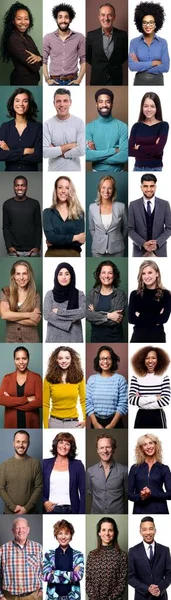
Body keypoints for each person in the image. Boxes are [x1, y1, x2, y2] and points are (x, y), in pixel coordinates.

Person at [128, 516, 171, 600]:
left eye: (151, 529)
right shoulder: (133, 551)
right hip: (141, 597)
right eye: (144, 529)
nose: (148, 532)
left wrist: (160, 588)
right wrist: (147, 588)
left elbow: (169, 573)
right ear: (140, 532)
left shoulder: (165, 550)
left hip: (161, 597)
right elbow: (130, 577)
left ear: (155, 530)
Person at [128, 173, 171, 257]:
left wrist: (157, 243)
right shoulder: (133, 205)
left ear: (155, 187)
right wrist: (143, 243)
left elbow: (169, 228)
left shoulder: (165, 204)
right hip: (139, 252)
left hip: (159, 251)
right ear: (141, 187)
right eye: (145, 186)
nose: (149, 189)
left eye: (151, 186)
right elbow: (129, 229)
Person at [0, 430, 42, 514]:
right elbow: (1, 488)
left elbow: (39, 487)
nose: (21, 445)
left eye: (24, 442)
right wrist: (13, 507)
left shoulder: (35, 463)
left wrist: (26, 508)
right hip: (9, 513)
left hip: (31, 512)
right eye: (18, 441)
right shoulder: (4, 465)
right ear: (13, 443)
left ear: (28, 444)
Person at [0, 87, 42, 172]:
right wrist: (25, 151)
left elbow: (38, 157)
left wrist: (10, 153)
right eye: (17, 100)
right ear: (12, 104)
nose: (21, 104)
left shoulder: (38, 127)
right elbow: (1, 155)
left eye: (25, 101)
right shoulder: (5, 127)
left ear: (29, 104)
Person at [43, 3, 86, 85]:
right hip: (54, 81)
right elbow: (44, 61)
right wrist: (47, 79)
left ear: (70, 19)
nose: (63, 20)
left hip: (73, 81)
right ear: (56, 19)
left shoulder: (79, 37)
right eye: (60, 17)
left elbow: (84, 59)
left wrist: (79, 79)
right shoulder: (48, 38)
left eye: (66, 17)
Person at [128, 260, 171, 342]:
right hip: (138, 336)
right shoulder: (135, 294)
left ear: (157, 273)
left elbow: (163, 319)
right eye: (143, 273)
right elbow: (131, 319)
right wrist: (156, 319)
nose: (146, 276)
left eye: (150, 272)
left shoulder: (166, 294)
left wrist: (140, 315)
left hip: (157, 337)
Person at [86, 88, 128, 171]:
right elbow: (86, 155)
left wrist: (96, 154)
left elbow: (124, 156)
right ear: (96, 104)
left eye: (107, 101)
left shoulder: (122, 126)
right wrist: (114, 150)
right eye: (100, 101)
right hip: (96, 172)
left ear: (112, 104)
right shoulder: (88, 127)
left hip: (118, 172)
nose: (104, 105)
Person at [43, 346, 85, 428]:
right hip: (54, 422)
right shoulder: (48, 379)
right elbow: (45, 404)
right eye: (60, 358)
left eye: (67, 358)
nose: (64, 361)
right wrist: (45, 427)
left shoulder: (79, 378)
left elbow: (83, 400)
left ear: (72, 359)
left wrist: (86, 419)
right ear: (56, 360)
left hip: (73, 422)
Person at [0, 2, 42, 85]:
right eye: (19, 19)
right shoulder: (13, 39)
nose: (23, 22)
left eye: (26, 19)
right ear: (13, 21)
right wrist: (40, 59)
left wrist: (39, 58)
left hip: (33, 80)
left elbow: (39, 58)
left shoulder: (28, 37)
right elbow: (35, 67)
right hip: (21, 81)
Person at [0, 345, 42, 428]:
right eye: (17, 359)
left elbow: (40, 402)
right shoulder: (7, 378)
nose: (21, 362)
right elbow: (1, 399)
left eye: (24, 358)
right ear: (14, 360)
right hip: (11, 422)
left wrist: (11, 402)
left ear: (28, 359)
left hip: (31, 422)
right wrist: (27, 399)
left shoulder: (36, 378)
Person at [129, 345, 171, 428]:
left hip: (158, 416)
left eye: (153, 358)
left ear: (159, 360)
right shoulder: (136, 377)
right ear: (142, 360)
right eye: (147, 358)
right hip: (141, 416)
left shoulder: (164, 377)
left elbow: (166, 401)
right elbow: (131, 400)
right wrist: (155, 397)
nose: (150, 361)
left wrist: (142, 404)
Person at [43, 432, 85, 513]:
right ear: (56, 444)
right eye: (61, 442)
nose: (64, 446)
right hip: (50, 509)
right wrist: (44, 501)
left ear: (71, 447)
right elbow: (37, 487)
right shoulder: (45, 463)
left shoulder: (78, 465)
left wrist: (82, 513)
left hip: (72, 510)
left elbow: (83, 492)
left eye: (67, 444)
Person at [43, 88, 85, 171]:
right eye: (58, 101)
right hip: (54, 172)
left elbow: (82, 150)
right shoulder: (47, 124)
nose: (62, 104)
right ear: (54, 103)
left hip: (75, 172)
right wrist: (70, 146)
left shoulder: (79, 122)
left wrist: (57, 151)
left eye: (65, 101)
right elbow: (45, 152)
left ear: (70, 102)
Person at [86, 517, 128, 600]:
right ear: (99, 533)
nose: (107, 533)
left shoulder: (122, 555)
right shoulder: (92, 555)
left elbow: (122, 583)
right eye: (104, 530)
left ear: (114, 533)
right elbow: (87, 581)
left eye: (110, 530)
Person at [128, 433, 171, 514]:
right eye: (145, 444)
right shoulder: (135, 468)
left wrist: (151, 494)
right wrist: (140, 496)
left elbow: (170, 494)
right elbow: (128, 493)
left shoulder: (164, 468)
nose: (148, 447)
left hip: (160, 511)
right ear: (141, 449)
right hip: (139, 511)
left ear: (155, 445)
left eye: (150, 443)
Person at [86, 346, 128, 428]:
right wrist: (95, 423)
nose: (105, 361)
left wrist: (112, 425)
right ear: (98, 361)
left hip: (115, 422)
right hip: (95, 422)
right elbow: (87, 402)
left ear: (113, 360)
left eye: (108, 358)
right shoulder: (92, 379)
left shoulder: (120, 379)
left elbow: (123, 403)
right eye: (102, 358)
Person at [43, 176, 85, 257]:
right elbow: (51, 237)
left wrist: (55, 241)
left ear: (71, 191)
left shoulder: (79, 213)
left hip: (73, 254)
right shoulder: (47, 212)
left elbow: (80, 241)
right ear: (56, 190)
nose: (63, 191)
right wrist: (75, 237)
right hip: (52, 254)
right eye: (60, 187)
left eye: (67, 188)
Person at [0, 517, 42, 598]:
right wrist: (0, 595)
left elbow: (44, 570)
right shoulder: (3, 549)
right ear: (13, 531)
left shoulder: (38, 547)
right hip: (9, 597)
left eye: (23, 528)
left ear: (28, 530)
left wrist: (43, 589)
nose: (21, 531)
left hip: (33, 596)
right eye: (18, 528)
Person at [129, 2, 170, 86]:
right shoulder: (134, 42)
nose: (148, 25)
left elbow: (166, 67)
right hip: (139, 81)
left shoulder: (163, 42)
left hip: (157, 82)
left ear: (156, 24)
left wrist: (141, 66)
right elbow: (132, 66)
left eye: (151, 22)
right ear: (140, 23)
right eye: (145, 22)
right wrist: (154, 63)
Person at [86, 3, 128, 85]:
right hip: (97, 80)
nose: (106, 18)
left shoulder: (122, 35)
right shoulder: (91, 36)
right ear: (99, 17)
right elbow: (88, 57)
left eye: (109, 15)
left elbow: (124, 56)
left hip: (116, 80)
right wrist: (99, 65)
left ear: (114, 17)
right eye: (103, 15)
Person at [0, 260, 41, 343]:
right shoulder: (5, 292)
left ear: (29, 275)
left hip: (32, 341)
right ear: (13, 276)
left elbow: (34, 321)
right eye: (18, 274)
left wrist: (11, 316)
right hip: (11, 341)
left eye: (24, 273)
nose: (21, 277)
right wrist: (29, 315)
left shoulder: (35, 295)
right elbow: (4, 315)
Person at [44, 263, 85, 343]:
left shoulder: (79, 294)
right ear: (56, 276)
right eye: (60, 274)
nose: (63, 277)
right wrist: (71, 320)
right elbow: (47, 315)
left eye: (67, 274)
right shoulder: (50, 294)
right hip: (54, 338)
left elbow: (83, 312)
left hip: (74, 338)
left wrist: (59, 312)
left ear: (71, 276)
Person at [86, 260, 127, 342]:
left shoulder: (120, 294)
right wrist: (109, 315)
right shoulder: (92, 293)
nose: (106, 276)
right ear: (99, 275)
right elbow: (88, 316)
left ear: (114, 275)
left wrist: (95, 314)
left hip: (116, 339)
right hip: (96, 339)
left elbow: (117, 320)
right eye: (103, 272)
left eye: (110, 273)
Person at [43, 519, 84, 600]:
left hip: (73, 597)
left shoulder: (78, 555)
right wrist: (71, 575)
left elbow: (78, 576)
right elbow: (46, 576)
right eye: (60, 533)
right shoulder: (49, 554)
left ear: (71, 535)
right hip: (53, 597)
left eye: (67, 533)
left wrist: (55, 572)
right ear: (56, 535)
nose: (63, 537)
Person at [87, 434, 128, 513]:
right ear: (97, 450)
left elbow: (127, 493)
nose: (105, 451)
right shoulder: (90, 471)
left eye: (108, 447)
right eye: (101, 448)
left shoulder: (124, 471)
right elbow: (90, 493)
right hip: (96, 513)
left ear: (113, 449)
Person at [129, 92, 169, 171]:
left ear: (157, 108)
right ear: (142, 107)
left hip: (156, 169)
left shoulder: (163, 125)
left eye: (152, 106)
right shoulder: (136, 126)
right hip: (138, 168)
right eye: (146, 106)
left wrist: (139, 147)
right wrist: (153, 152)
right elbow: (129, 151)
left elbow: (158, 150)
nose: (149, 109)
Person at [3, 175, 42, 257]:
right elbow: (6, 227)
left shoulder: (35, 204)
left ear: (26, 187)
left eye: (22, 185)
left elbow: (38, 226)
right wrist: (9, 246)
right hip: (14, 251)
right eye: (17, 185)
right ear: (14, 187)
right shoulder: (7, 204)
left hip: (32, 251)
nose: (19, 188)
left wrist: (37, 246)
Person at [89, 175, 127, 257]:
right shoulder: (92, 207)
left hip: (117, 249)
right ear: (99, 189)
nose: (106, 191)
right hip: (97, 250)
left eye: (109, 188)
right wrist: (98, 240)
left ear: (113, 190)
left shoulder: (121, 207)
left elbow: (126, 227)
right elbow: (92, 229)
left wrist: (117, 239)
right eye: (103, 187)